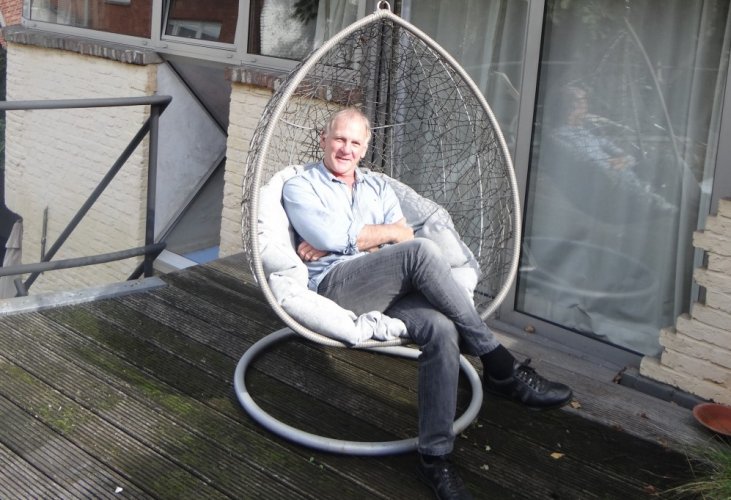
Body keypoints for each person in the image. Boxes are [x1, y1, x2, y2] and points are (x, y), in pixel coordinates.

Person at [282, 108, 572, 500]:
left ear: (365, 148)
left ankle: (435, 457)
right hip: (339, 287)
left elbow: (399, 235)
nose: (345, 149)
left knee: (442, 327)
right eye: (339, 139)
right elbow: (337, 237)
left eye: (354, 142)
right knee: (422, 252)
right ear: (323, 139)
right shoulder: (301, 186)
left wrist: (356, 238)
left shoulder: (378, 187)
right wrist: (368, 238)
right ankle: (499, 363)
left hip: (389, 285)